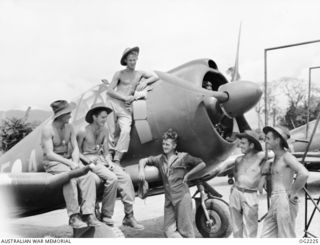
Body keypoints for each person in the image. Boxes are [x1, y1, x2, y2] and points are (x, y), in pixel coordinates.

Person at [77, 103, 144, 230]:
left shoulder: (105, 130)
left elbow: (106, 152)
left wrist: (109, 162)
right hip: (89, 161)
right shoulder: (82, 131)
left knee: (125, 177)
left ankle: (129, 216)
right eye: (102, 117)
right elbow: (76, 152)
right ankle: (106, 215)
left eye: (106, 117)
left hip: (102, 160)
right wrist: (88, 163)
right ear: (94, 117)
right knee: (112, 178)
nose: (105, 120)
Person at [41, 100, 100, 228]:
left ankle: (89, 214)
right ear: (61, 115)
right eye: (68, 113)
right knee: (69, 177)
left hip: (68, 160)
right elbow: (49, 154)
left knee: (88, 176)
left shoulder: (70, 127)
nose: (70, 115)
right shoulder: (47, 130)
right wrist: (70, 164)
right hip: (53, 162)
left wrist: (75, 162)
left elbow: (75, 148)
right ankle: (74, 216)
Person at [138, 128, 206, 238]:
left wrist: (188, 175)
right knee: (168, 232)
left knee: (186, 231)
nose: (164, 146)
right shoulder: (160, 159)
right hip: (169, 199)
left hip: (182, 197)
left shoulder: (183, 157)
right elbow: (143, 160)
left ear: (174, 146)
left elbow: (201, 164)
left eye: (167, 144)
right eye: (163, 144)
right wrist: (141, 169)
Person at [107, 46, 158, 164]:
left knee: (125, 130)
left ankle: (117, 158)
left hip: (126, 107)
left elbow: (155, 76)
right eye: (130, 60)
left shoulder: (139, 73)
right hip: (114, 103)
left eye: (134, 60)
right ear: (125, 61)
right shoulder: (119, 74)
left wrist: (145, 81)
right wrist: (124, 97)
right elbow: (109, 91)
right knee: (111, 130)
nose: (133, 63)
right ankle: (109, 154)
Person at [212, 130, 266, 237]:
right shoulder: (238, 160)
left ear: (251, 145)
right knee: (236, 227)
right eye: (240, 143)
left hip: (250, 194)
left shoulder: (260, 156)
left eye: (243, 143)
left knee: (250, 228)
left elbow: (275, 153)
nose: (240, 145)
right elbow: (230, 170)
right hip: (236, 192)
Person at [261, 126, 309, 238]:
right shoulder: (276, 158)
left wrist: (292, 191)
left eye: (268, 138)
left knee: (286, 236)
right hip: (275, 200)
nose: (265, 140)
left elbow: (304, 173)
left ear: (277, 140)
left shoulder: (287, 157)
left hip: (284, 199)